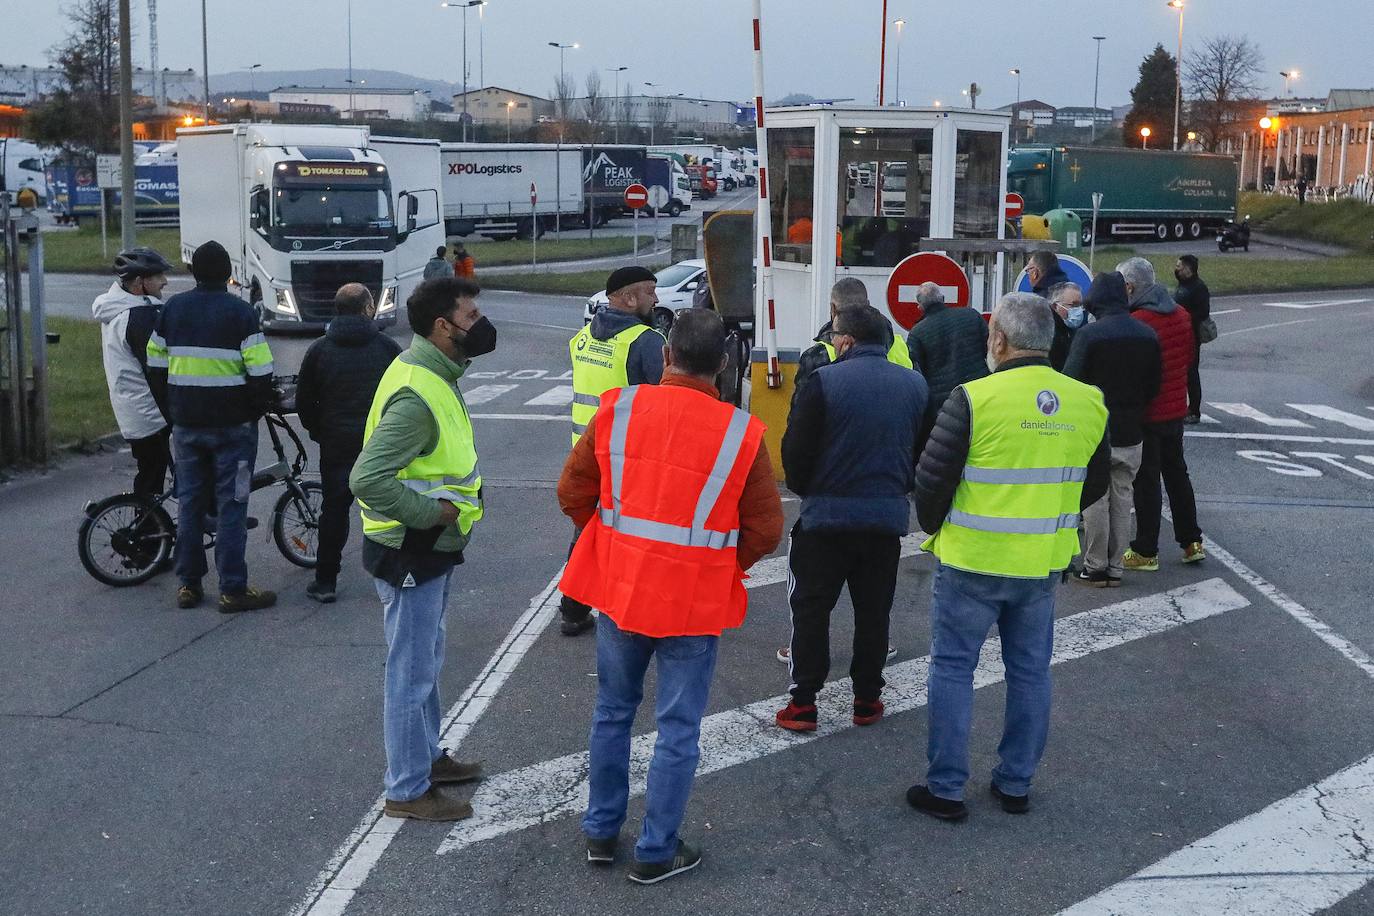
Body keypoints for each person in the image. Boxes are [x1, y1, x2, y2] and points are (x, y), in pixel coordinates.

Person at [558, 308, 783, 884]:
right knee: (678, 727)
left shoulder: (619, 409)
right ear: (726, 366)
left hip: (621, 593)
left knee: (612, 713)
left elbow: (572, 492)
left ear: (665, 356)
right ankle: (657, 849)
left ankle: (601, 832)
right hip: (691, 602)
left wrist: (612, 542)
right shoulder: (740, 433)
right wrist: (715, 563)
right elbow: (764, 530)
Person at [906, 292, 1109, 821]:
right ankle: (1015, 784)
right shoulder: (1088, 402)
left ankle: (946, 788)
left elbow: (930, 482)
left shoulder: (973, 398)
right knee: (1030, 672)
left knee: (953, 669)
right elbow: (1096, 483)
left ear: (998, 339)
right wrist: (1050, 511)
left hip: (972, 560)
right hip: (1041, 564)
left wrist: (938, 525)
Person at [349, 276, 496, 822]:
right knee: (410, 671)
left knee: (426, 658)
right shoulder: (418, 392)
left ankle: (428, 758)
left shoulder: (434, 371)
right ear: (444, 326)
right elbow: (367, 478)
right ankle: (407, 789)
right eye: (472, 315)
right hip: (410, 547)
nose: (479, 323)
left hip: (430, 548)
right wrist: (430, 516)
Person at [774, 304, 928, 731]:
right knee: (874, 611)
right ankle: (867, 699)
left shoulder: (824, 381)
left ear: (847, 340)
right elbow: (921, 449)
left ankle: (803, 702)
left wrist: (810, 491)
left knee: (810, 609)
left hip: (825, 520)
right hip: (884, 521)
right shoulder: (915, 385)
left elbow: (795, 453)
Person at [146, 241, 276, 613]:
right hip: (233, 431)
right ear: (228, 274)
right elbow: (261, 372)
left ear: (193, 273)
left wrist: (173, 409)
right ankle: (232, 589)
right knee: (232, 506)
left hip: (187, 427)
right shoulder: (241, 313)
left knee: (188, 504)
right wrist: (252, 411)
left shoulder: (173, 309)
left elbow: (154, 363)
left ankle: (189, 585)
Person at [562, 266, 666, 637]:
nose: (656, 299)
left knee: (586, 532)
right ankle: (632, 609)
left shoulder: (584, 338)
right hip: (628, 458)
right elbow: (662, 402)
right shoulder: (647, 342)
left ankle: (573, 609)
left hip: (585, 453)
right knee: (634, 536)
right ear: (628, 297)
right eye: (650, 292)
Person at [294, 283, 403, 603]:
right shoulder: (386, 348)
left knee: (334, 512)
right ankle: (398, 574)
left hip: (336, 443)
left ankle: (326, 581)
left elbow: (304, 402)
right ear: (368, 309)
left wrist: (320, 431)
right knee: (392, 511)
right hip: (380, 444)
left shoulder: (319, 349)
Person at [1063, 272, 1161, 587]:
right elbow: (1154, 386)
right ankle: (1116, 566)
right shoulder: (1148, 335)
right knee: (1122, 498)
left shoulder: (1089, 336)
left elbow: (1070, 382)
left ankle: (1095, 565)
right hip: (1132, 432)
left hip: (1095, 431)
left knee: (1094, 499)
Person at [1118, 256, 1205, 570]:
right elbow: (1190, 358)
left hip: (1149, 413)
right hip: (1175, 409)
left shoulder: (1140, 322)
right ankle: (1192, 540)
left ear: (1130, 286)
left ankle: (1145, 549)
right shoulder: (1181, 315)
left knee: (1147, 481)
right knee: (1178, 474)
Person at [94, 247, 173, 496]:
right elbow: (160, 369)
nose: (165, 281)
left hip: (134, 411)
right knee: (153, 478)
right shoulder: (139, 317)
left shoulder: (118, 307)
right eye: (158, 276)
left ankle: (152, 529)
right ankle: (148, 531)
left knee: (151, 475)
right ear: (140, 283)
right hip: (150, 414)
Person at [792, 277, 913, 403]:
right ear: (868, 304)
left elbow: (799, 414)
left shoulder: (816, 357)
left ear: (833, 309)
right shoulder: (903, 347)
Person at [904, 281, 988, 457]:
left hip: (943, 410)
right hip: (982, 399)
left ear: (919, 307)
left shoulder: (917, 333)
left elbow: (917, 374)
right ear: (942, 298)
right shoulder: (971, 316)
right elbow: (992, 351)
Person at [1172, 255, 1210, 424]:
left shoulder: (1199, 288)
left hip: (1191, 336)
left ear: (1188, 268)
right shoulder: (1183, 285)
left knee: (1191, 372)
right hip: (1179, 334)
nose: (1177, 269)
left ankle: (1194, 410)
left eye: (1180, 266)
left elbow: (1203, 313)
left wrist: (1183, 318)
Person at [1025, 251, 1073, 370]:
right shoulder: (1073, 292)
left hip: (1049, 364)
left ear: (1035, 273)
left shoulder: (1037, 303)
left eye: (1028, 271)